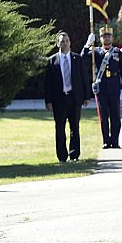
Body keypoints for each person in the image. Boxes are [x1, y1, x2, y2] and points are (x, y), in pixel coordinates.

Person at [43, 32, 90, 162]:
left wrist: (87, 96)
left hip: (74, 98)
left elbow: (84, 79)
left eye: (67, 40)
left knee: (74, 127)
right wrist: (48, 101)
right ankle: (62, 156)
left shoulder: (77, 59)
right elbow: (48, 84)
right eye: (62, 41)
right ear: (58, 43)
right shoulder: (52, 61)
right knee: (60, 128)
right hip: (59, 100)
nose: (65, 43)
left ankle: (74, 154)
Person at [82, 26, 122, 149]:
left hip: (114, 87)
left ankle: (115, 141)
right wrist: (88, 44)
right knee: (103, 116)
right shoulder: (95, 51)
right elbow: (83, 57)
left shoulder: (118, 52)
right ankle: (106, 141)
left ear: (112, 38)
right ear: (101, 38)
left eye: (109, 36)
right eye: (104, 36)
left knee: (115, 116)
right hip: (102, 87)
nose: (107, 38)